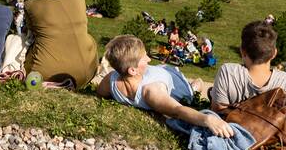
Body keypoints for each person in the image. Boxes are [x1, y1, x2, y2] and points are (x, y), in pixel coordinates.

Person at [97, 35, 233, 137]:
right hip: (176, 82)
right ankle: (194, 88)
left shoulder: (111, 80)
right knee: (198, 83)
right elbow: (178, 110)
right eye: (144, 58)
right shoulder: (151, 91)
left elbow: (99, 93)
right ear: (132, 70)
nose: (149, 59)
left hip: (163, 73)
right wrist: (208, 119)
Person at [211, 20, 286, 142]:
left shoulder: (228, 72)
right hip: (267, 138)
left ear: (242, 51)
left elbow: (218, 114)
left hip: (233, 134)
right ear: (274, 53)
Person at [23, 0, 99, 87]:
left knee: (17, 41)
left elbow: (31, 35)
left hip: (46, 74)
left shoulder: (31, 5)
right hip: (88, 70)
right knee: (88, 37)